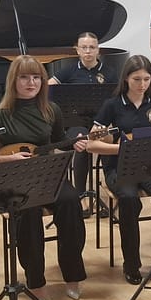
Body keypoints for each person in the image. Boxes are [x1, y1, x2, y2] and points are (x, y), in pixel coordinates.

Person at [0, 55, 87, 300]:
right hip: (15, 178)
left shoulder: (51, 110)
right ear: (13, 81)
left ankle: (72, 273)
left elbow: (58, 141)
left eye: (36, 77)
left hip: (46, 174)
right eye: (24, 77)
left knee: (71, 201)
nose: (31, 83)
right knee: (28, 212)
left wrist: (75, 144)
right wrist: (6, 160)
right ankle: (35, 281)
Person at [83, 55, 151, 285]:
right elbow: (91, 144)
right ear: (126, 78)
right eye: (136, 79)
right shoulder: (112, 105)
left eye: (146, 79)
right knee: (129, 199)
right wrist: (120, 149)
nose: (142, 84)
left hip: (149, 166)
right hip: (119, 167)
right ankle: (131, 263)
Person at [48, 31, 118, 217]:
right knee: (81, 142)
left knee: (106, 141)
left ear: (98, 50)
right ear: (77, 50)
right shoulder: (68, 70)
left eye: (92, 47)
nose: (88, 51)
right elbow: (48, 88)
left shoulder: (109, 72)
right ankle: (81, 195)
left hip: (100, 122)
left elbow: (118, 98)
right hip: (75, 122)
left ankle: (112, 186)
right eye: (84, 47)